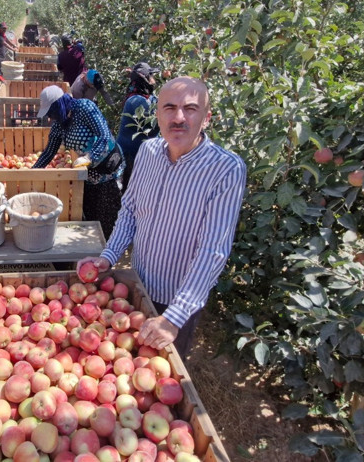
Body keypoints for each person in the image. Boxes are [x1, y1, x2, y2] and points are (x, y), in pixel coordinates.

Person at [77, 77, 247, 357]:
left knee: (162, 372)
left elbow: (213, 250)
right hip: (136, 286)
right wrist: (108, 256)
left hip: (177, 299)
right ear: (157, 114)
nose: (179, 117)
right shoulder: (148, 152)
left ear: (207, 118)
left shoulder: (226, 169)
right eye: (169, 108)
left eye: (190, 109)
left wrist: (175, 317)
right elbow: (130, 209)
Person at [32, 85, 124, 239]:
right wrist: (33, 171)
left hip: (109, 167)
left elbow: (104, 135)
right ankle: (93, 251)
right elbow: (49, 152)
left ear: (58, 104)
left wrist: (90, 157)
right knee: (91, 213)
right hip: (88, 173)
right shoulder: (59, 125)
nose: (51, 117)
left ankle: (108, 254)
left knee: (107, 214)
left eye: (51, 111)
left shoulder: (84, 107)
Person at [116, 62, 160, 188]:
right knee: (132, 190)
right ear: (144, 79)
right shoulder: (136, 101)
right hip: (132, 156)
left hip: (141, 155)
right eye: (151, 76)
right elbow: (155, 124)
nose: (154, 80)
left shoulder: (148, 97)